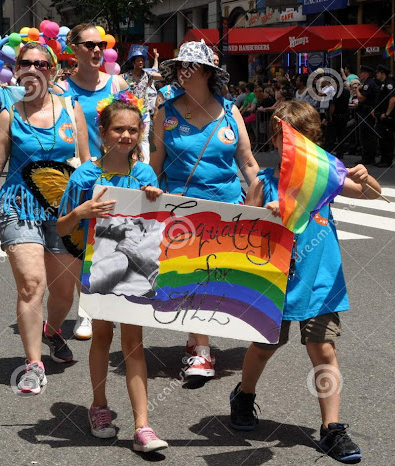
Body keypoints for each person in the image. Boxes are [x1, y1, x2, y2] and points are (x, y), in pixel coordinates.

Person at [230, 101, 382, 463]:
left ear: (313, 142)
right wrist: (266, 217)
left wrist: (365, 177)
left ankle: (331, 428)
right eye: (284, 138)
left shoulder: (325, 178)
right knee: (265, 346)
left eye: (300, 138)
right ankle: (244, 395)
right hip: (274, 281)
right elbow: (245, 232)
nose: (291, 146)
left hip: (320, 280)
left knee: (323, 350)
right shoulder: (264, 182)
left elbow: (373, 194)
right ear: (275, 141)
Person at [0, 42, 90, 396]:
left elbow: (88, 162)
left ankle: (52, 331)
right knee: (32, 284)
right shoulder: (9, 115)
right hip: (19, 207)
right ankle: (34, 364)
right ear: (18, 70)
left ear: (52, 70)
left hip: (65, 209)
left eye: (41, 64)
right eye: (26, 63)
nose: (34, 68)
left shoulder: (71, 108)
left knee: (63, 291)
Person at [56, 94, 168, 453]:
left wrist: (157, 198)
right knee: (102, 336)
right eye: (118, 129)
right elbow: (60, 228)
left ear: (141, 134)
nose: (126, 136)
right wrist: (82, 211)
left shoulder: (144, 173)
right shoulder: (86, 174)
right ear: (103, 132)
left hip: (137, 266)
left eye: (133, 130)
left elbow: (158, 222)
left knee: (134, 343)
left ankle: (143, 426)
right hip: (99, 266)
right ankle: (99, 406)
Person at [150, 41, 260, 379]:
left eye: (192, 65)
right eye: (181, 65)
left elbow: (248, 162)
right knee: (193, 276)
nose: (185, 71)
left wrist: (265, 201)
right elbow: (153, 166)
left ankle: (196, 336)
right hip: (179, 211)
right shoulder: (164, 112)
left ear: (207, 72)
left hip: (226, 211)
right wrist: (140, 198)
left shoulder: (230, 111)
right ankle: (202, 351)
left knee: (215, 279)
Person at [59, 23, 128, 340]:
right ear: (74, 49)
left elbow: (133, 124)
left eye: (100, 44)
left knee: (114, 241)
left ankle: (108, 303)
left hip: (118, 173)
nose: (97, 50)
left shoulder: (117, 84)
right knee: (84, 243)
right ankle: (86, 310)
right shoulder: (62, 90)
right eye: (89, 45)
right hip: (79, 175)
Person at [122, 46, 162, 163]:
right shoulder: (125, 76)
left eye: (142, 60)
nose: (140, 62)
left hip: (144, 113)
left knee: (144, 139)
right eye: (138, 60)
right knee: (131, 137)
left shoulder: (148, 75)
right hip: (130, 112)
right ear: (133, 62)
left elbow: (161, 75)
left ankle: (145, 164)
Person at [373, 64, 395, 167]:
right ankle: (383, 159)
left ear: (382, 73)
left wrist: (387, 113)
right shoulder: (383, 84)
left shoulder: (389, 84)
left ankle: (387, 160)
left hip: (387, 117)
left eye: (378, 72)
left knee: (387, 139)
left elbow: (393, 99)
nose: (376, 74)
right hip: (381, 115)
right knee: (382, 138)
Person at [355, 65, 378, 164]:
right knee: (365, 135)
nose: (360, 75)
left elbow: (362, 98)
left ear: (366, 73)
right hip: (365, 112)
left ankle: (368, 157)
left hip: (366, 113)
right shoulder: (367, 83)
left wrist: (357, 90)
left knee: (366, 135)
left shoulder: (368, 84)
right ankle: (367, 156)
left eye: (362, 73)